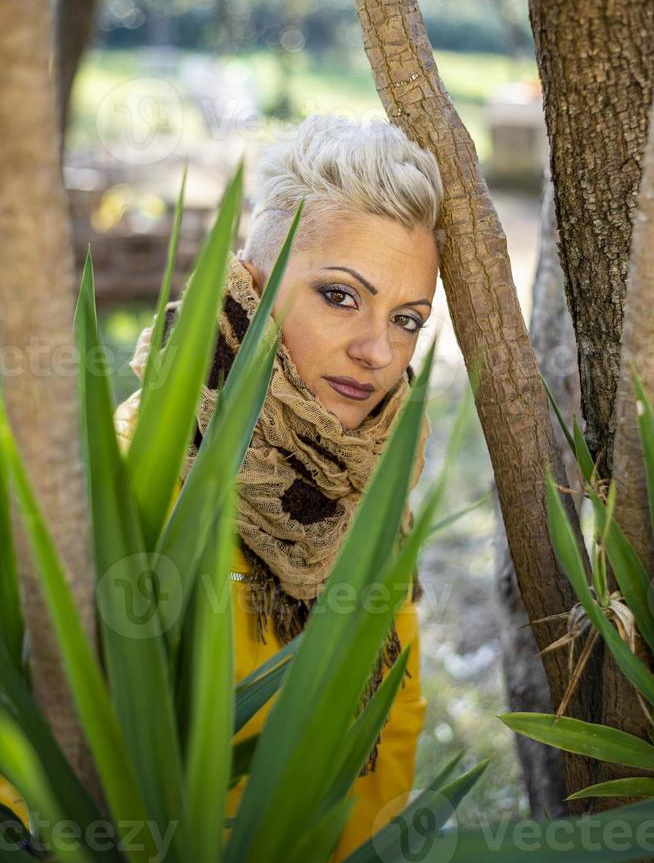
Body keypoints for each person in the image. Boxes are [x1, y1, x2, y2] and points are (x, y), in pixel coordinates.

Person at [1, 114, 445, 858]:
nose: (377, 352)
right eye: (340, 296)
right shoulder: (127, 489)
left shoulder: (365, 479)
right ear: (250, 286)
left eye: (407, 319)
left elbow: (393, 723)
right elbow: (32, 782)